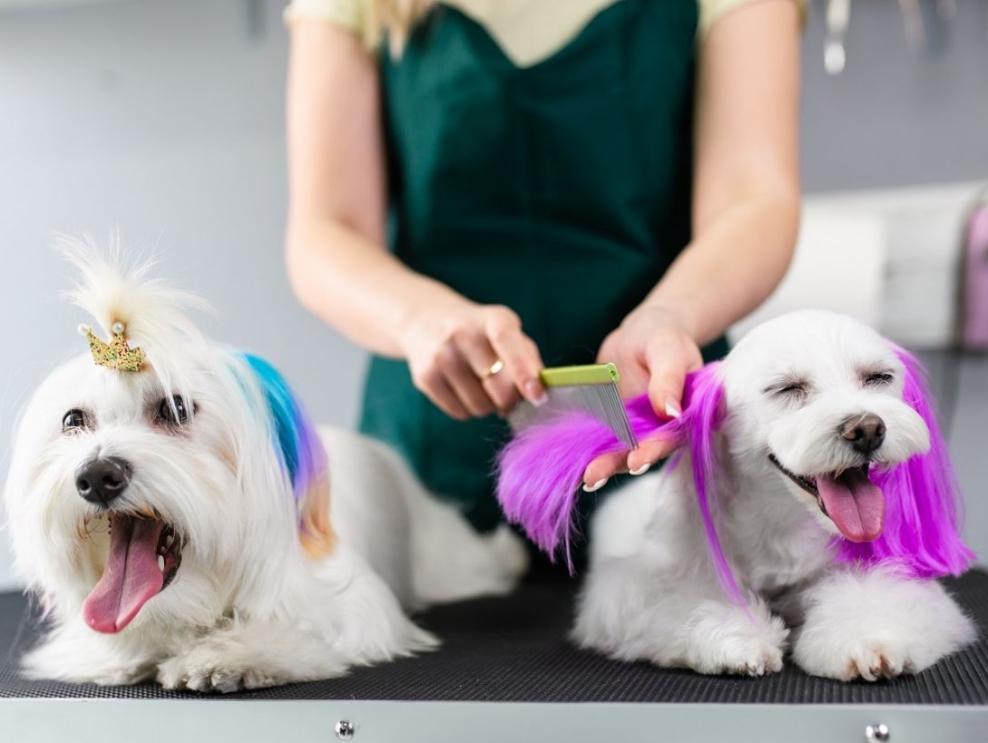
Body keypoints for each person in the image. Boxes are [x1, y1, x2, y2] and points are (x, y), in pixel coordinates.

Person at [284, 0, 803, 537]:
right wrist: (417, 320)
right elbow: (326, 231)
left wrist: (670, 316)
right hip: (435, 474)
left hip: (655, 438)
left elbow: (753, 201)